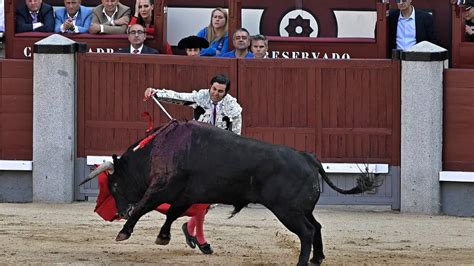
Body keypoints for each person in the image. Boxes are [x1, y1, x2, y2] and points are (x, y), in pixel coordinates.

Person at [144, 74, 242, 254]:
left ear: (226, 92)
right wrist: (157, 93)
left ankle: (190, 228)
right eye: (214, 89)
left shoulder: (233, 109)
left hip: (218, 156)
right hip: (196, 153)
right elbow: (179, 97)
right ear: (210, 87)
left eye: (220, 91)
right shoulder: (201, 97)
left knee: (211, 198)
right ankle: (198, 235)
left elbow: (236, 136)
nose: (216, 93)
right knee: (200, 196)